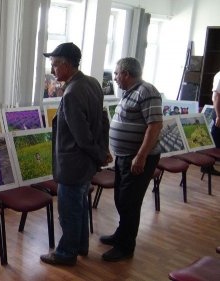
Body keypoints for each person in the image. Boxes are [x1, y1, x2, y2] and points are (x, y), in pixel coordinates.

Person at [39, 42, 110, 266]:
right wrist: (101, 151)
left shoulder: (71, 92)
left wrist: (99, 153)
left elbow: (81, 136)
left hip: (73, 163)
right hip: (85, 163)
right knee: (79, 205)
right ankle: (80, 246)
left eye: (55, 65)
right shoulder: (93, 83)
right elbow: (102, 121)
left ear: (68, 65)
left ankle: (66, 253)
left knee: (69, 211)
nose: (52, 71)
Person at [100, 57, 163, 262]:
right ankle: (121, 234)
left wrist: (141, 156)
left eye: (117, 73)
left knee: (130, 202)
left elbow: (155, 126)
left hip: (138, 159)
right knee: (121, 198)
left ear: (126, 74)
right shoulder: (130, 92)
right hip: (124, 157)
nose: (115, 78)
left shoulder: (147, 91)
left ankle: (125, 246)